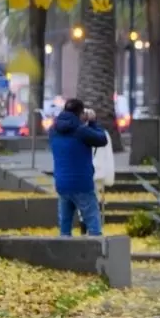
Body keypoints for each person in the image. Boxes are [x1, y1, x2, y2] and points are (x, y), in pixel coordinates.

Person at [50, 99, 109, 236]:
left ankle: (65, 253)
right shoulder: (81, 131)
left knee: (65, 227)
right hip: (82, 184)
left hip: (62, 184)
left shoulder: (53, 130)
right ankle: (97, 253)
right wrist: (93, 122)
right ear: (80, 113)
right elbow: (102, 140)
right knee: (93, 225)